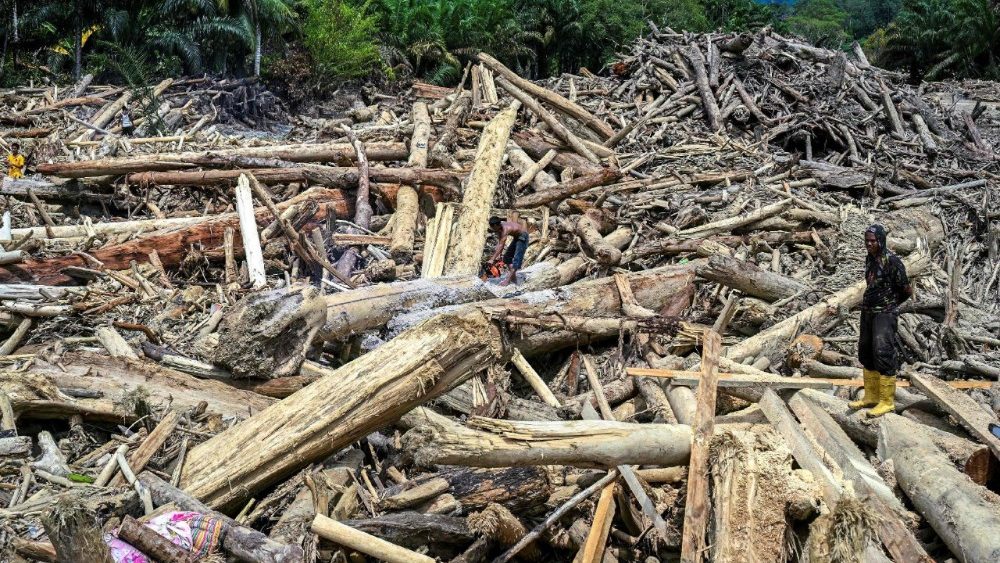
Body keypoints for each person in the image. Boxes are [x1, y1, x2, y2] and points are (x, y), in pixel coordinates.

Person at [850, 224, 913, 417]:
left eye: (873, 241)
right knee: (866, 351)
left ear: (881, 241)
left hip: (884, 313)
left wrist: (889, 305)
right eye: (867, 241)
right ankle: (871, 396)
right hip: (868, 311)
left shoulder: (892, 261)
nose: (870, 244)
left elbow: (906, 290)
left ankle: (886, 401)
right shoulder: (870, 259)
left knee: (883, 351)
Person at [487, 216, 529, 287]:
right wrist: (498, 255)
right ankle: (513, 279)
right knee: (507, 258)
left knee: (516, 260)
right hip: (517, 236)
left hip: (523, 236)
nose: (492, 229)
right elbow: (499, 242)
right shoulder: (499, 227)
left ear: (496, 225)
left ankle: (507, 281)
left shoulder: (505, 229)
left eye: (493, 227)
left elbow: (501, 245)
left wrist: (492, 259)